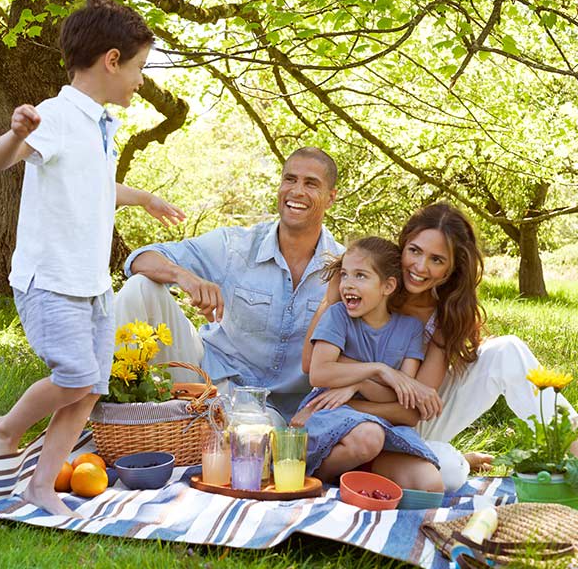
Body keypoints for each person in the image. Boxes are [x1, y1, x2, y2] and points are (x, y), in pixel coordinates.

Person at [0, 0, 184, 517]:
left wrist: (143, 197)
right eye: (140, 68)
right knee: (74, 376)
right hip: (50, 279)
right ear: (112, 60)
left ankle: (41, 484)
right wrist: (16, 133)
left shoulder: (100, 124)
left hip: (92, 283)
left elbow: (93, 186)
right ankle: (6, 429)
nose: (141, 81)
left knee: (91, 388)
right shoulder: (54, 115)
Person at [302, 202, 578, 484]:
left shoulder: (445, 314)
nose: (420, 267)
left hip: (404, 420)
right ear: (404, 242)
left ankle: (573, 450)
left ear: (451, 268)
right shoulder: (369, 284)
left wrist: (354, 389)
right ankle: (448, 459)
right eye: (415, 251)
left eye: (437, 259)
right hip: (347, 423)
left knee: (508, 350)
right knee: (449, 472)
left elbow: (410, 411)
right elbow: (311, 363)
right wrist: (375, 370)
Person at [114, 146, 344, 424]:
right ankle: (110, 409)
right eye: (290, 179)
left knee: (252, 432)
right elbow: (139, 259)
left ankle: (195, 427)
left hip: (275, 412)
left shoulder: (345, 270)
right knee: (142, 288)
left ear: (331, 198)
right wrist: (184, 277)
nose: (296, 191)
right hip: (208, 380)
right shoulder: (235, 245)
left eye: (311, 183)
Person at [292, 237, 443, 490]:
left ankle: (355, 475)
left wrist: (357, 382)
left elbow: (402, 401)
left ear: (388, 286)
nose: (348, 285)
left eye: (360, 276)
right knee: (368, 438)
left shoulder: (410, 329)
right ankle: (310, 477)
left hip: (381, 424)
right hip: (329, 411)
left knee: (431, 484)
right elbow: (319, 373)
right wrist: (379, 370)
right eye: (345, 275)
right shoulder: (338, 316)